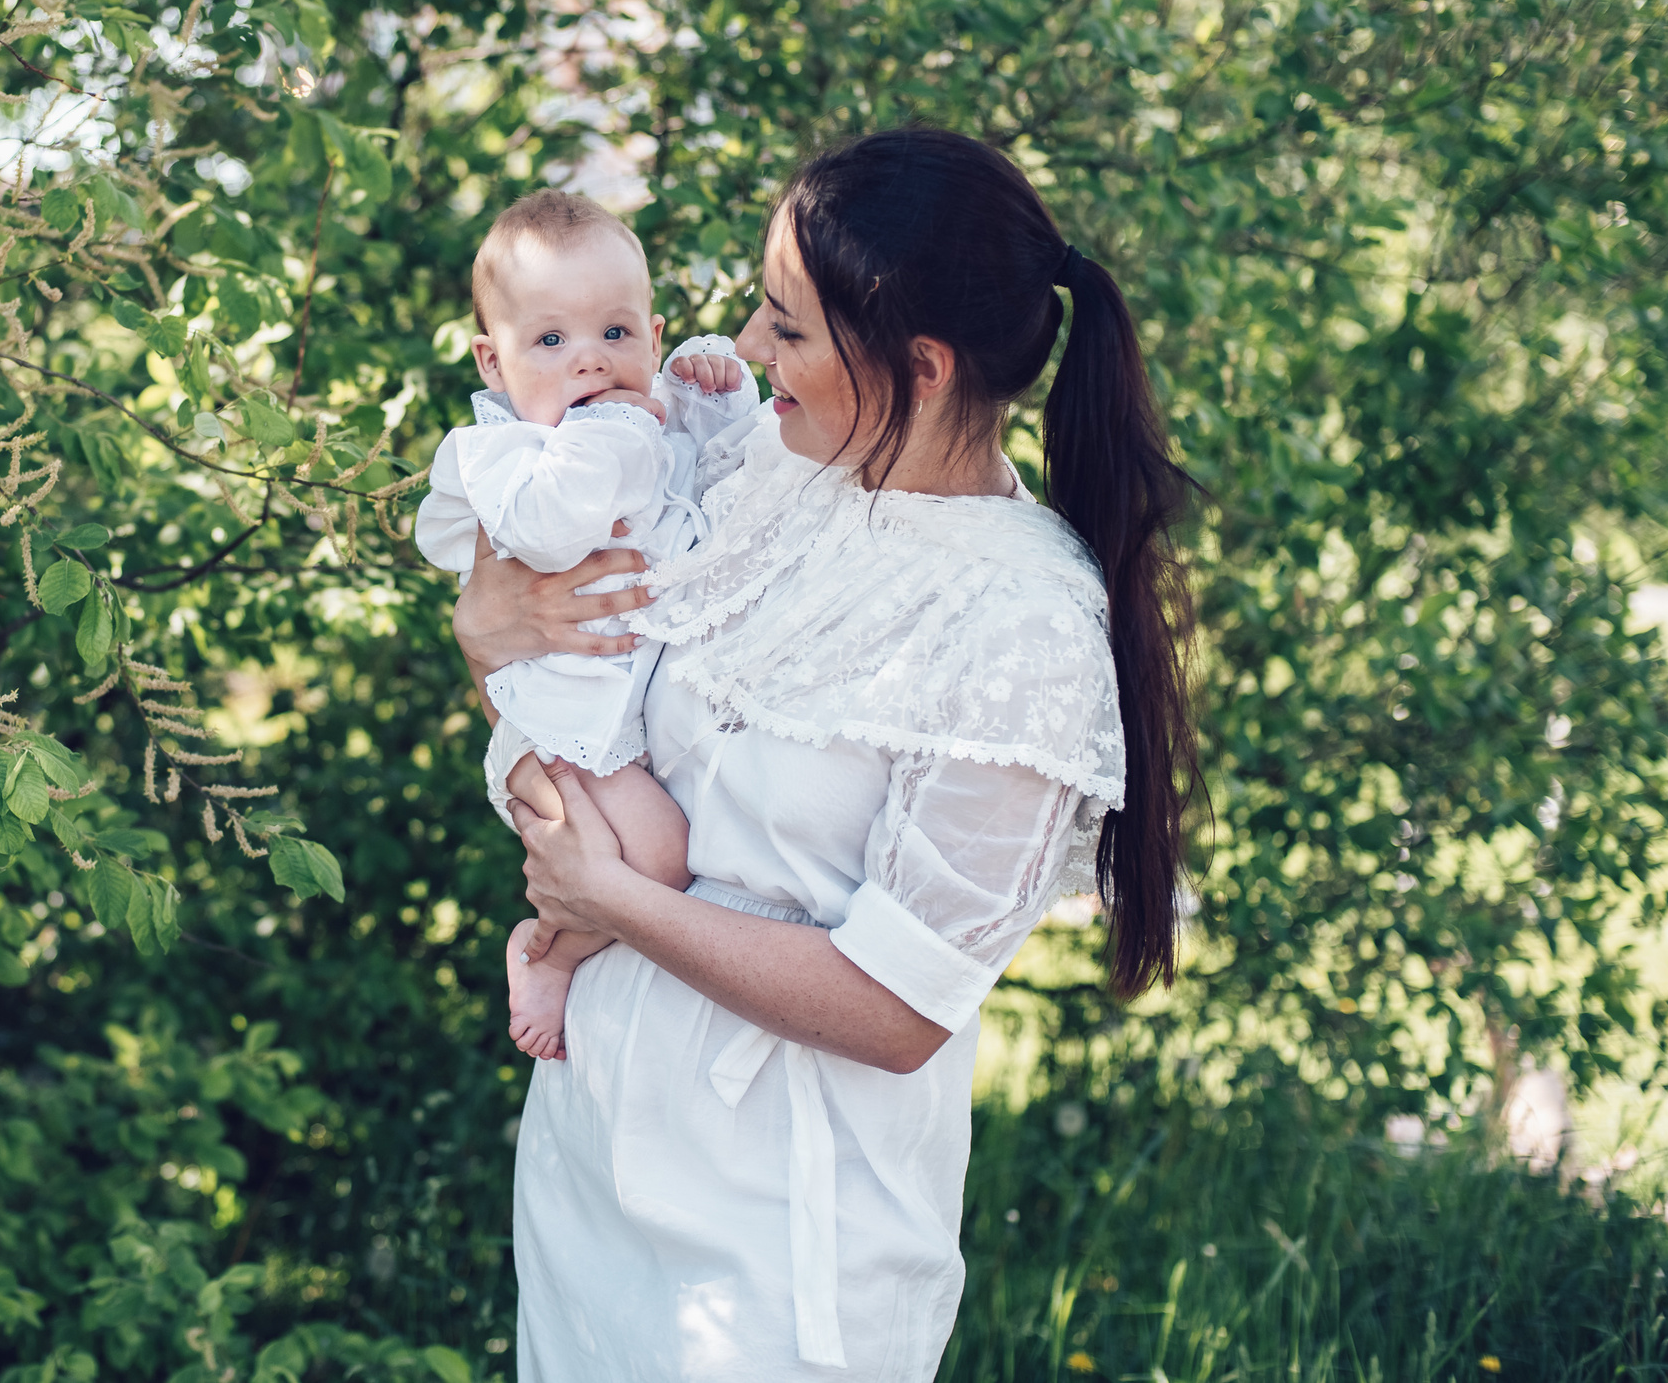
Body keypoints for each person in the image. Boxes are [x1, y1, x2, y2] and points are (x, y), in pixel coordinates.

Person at [454, 129, 1199, 1381]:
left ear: (920, 364)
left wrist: (614, 900)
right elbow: (571, 693)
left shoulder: (1015, 624)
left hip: (779, 1240)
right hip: (594, 1158)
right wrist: (482, 638)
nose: (749, 344)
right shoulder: (760, 466)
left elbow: (897, 1009)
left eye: (788, 326)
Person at [416, 190, 757, 1061]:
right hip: (555, 730)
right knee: (659, 857)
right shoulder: (507, 454)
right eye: (551, 341)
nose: (590, 361)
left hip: (611, 726)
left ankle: (558, 945)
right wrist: (614, 431)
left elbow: (714, 473)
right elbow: (546, 531)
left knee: (652, 855)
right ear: (494, 362)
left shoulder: (638, 424)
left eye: (615, 332)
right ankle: (548, 955)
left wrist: (711, 388)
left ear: (652, 334)